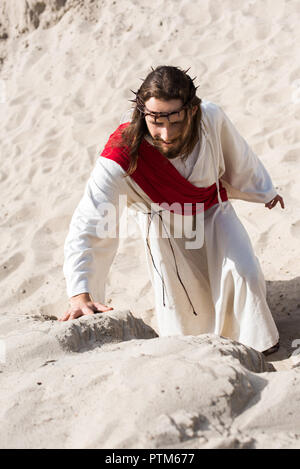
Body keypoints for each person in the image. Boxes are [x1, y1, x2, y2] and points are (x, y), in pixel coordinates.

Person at [60, 65, 284, 356]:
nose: (166, 134)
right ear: (143, 114)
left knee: (246, 276)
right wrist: (80, 291)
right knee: (188, 312)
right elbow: (88, 220)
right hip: (163, 228)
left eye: (175, 121)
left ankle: (259, 346)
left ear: (191, 110)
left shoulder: (211, 118)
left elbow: (237, 155)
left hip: (213, 212)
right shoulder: (122, 154)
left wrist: (262, 189)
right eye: (156, 122)